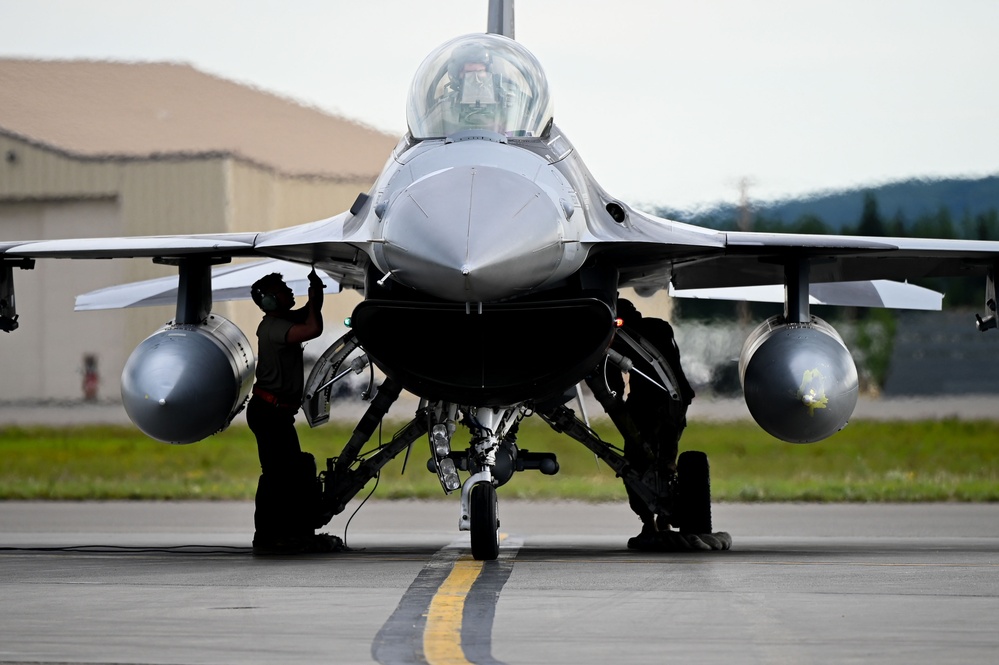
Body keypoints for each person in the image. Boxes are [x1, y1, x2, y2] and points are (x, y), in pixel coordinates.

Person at [248, 269, 341, 555]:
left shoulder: (281, 320)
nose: (288, 292)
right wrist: (314, 297)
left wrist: (316, 295)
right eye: (282, 290)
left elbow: (309, 315)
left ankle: (290, 533)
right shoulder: (274, 328)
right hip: (269, 412)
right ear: (269, 302)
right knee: (278, 475)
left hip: (276, 412)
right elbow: (313, 328)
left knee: (293, 470)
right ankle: (269, 537)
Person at [609, 298, 695, 549]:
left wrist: (617, 405)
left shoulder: (620, 335)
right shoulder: (659, 327)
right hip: (676, 399)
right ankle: (664, 519)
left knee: (635, 463)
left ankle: (650, 522)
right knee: (666, 458)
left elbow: (612, 377)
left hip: (648, 404)